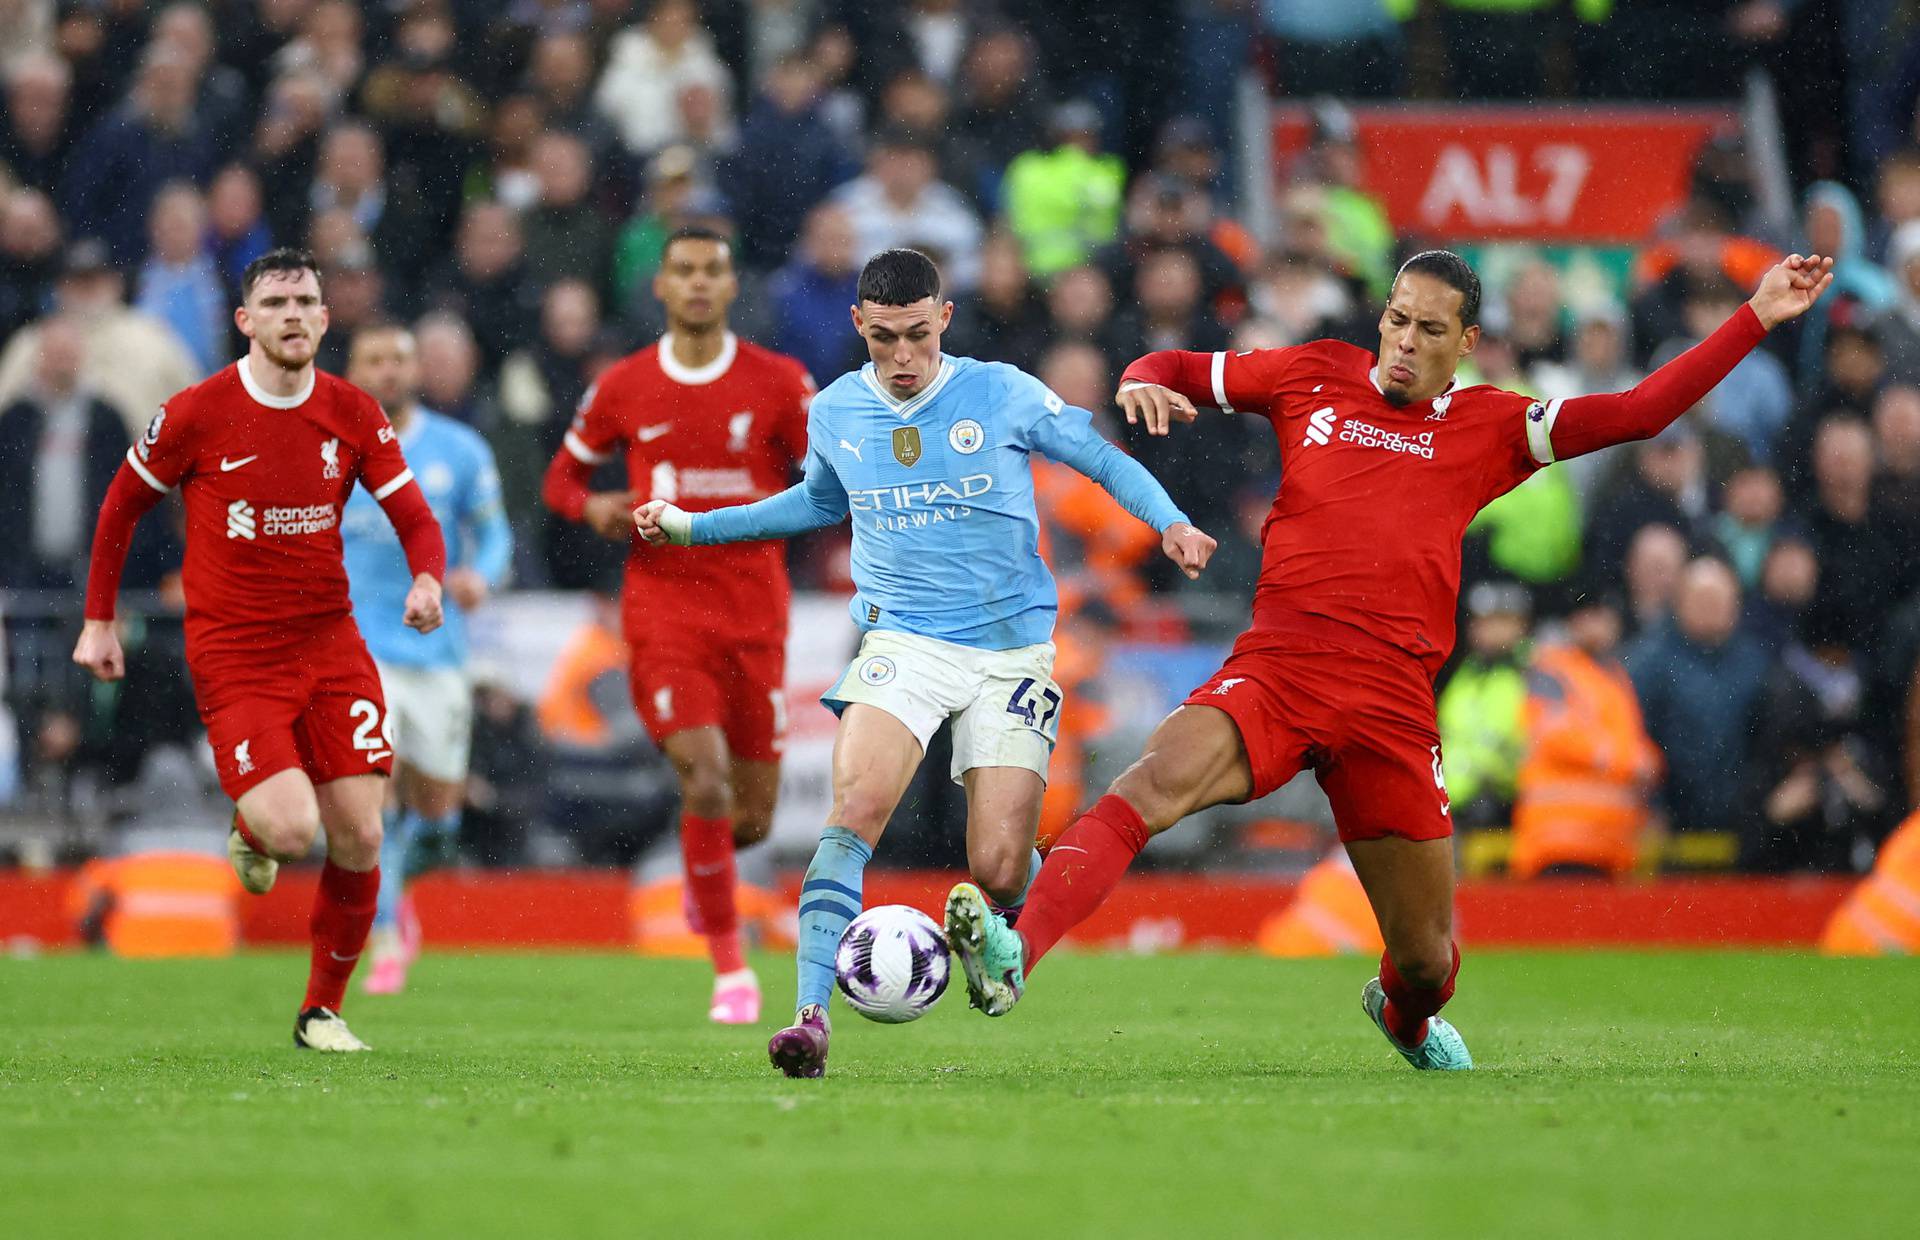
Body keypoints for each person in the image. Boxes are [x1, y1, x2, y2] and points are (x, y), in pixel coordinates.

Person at [939, 247, 1834, 1072]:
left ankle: (1404, 1016)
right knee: (1144, 791)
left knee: (1427, 958)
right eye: (1398, 319)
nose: (1405, 342)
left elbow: (1639, 412)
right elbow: (1172, 366)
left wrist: (1754, 314)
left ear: (1467, 342)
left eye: (1430, 329)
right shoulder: (1312, 374)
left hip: (1392, 706)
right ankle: (1016, 948)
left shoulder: (1493, 425)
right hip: (1280, 669)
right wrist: (1140, 378)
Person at [635, 247, 1213, 1077]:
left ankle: (1005, 943)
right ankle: (809, 1019)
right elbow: (815, 503)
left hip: (1010, 651)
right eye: (883, 341)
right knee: (854, 808)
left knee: (997, 864)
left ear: (943, 318)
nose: (902, 360)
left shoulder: (1002, 391)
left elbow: (1102, 460)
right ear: (858, 327)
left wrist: (1172, 522)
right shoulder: (836, 410)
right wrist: (693, 525)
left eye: (916, 337)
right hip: (900, 641)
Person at [72, 248, 448, 1052]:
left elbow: (414, 514)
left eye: (306, 301)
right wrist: (98, 621)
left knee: (363, 834)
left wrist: (428, 581)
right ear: (245, 321)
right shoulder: (195, 413)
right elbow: (119, 508)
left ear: (324, 317)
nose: (292, 315)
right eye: (275, 302)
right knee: (289, 831)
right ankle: (254, 823)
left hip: (331, 644)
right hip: (237, 653)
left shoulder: (353, 412)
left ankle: (321, 1012)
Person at [542, 227, 815, 1026]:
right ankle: (730, 966)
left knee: (753, 816)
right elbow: (563, 479)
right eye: (684, 271)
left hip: (754, 614)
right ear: (660, 286)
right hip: (664, 614)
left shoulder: (779, 383)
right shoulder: (623, 384)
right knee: (702, 775)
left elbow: (829, 482)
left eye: (712, 272)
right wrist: (591, 505)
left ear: (731, 288)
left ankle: (701, 879)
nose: (698, 284)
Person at [341, 323, 512, 994]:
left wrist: (482, 576)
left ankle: (400, 889)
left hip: (437, 650)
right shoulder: (330, 451)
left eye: (398, 358)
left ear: (416, 370)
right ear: (354, 369)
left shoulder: (458, 449)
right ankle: (385, 938)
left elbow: (494, 532)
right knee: (371, 794)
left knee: (438, 814)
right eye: (373, 357)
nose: (387, 369)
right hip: (358, 648)